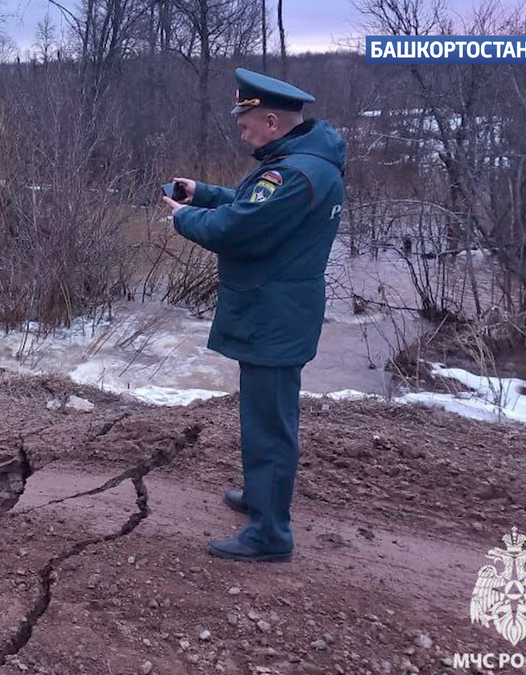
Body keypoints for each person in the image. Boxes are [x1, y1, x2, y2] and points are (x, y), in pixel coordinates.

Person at [162, 68, 346, 562]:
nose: (241, 134)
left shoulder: (293, 173)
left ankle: (270, 534)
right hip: (277, 311)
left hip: (274, 315)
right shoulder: (302, 163)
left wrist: (184, 218)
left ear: (270, 121)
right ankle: (260, 499)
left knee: (269, 423)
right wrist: (202, 192)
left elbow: (237, 229)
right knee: (262, 415)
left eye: (245, 125)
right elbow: (252, 206)